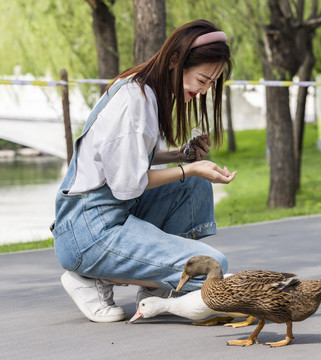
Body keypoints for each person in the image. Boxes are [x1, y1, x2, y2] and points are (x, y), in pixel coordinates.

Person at [52, 19, 236, 323]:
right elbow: (128, 184)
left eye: (210, 85)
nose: (202, 91)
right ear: (175, 60)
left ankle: (156, 290)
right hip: (90, 233)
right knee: (213, 264)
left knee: (195, 185)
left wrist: (183, 156)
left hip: (108, 215)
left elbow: (124, 162)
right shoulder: (136, 101)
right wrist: (189, 169)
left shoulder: (141, 89)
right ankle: (92, 277)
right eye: (202, 80)